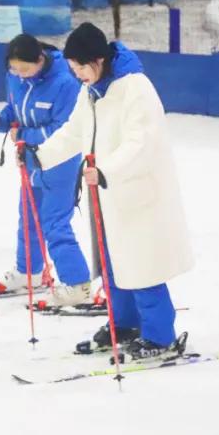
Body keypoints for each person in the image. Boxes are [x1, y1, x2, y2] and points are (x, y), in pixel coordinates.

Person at [32, 23, 194, 359]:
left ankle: (161, 336)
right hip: (106, 196)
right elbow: (75, 131)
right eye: (72, 70)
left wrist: (106, 170)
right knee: (112, 264)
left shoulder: (134, 87)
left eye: (80, 68)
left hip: (138, 192)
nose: (77, 75)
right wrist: (40, 154)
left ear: (99, 59)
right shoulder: (91, 91)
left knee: (142, 266)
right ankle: (124, 324)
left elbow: (143, 142)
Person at [0, 34, 92, 305]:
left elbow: (66, 129)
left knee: (55, 223)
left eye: (25, 69)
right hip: (30, 161)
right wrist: (1, 121)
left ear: (40, 60)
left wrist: (24, 134)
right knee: (29, 219)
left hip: (60, 162)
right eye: (14, 69)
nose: (20, 75)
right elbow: (16, 109)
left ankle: (78, 285)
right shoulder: (16, 78)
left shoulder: (65, 83)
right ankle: (28, 272)